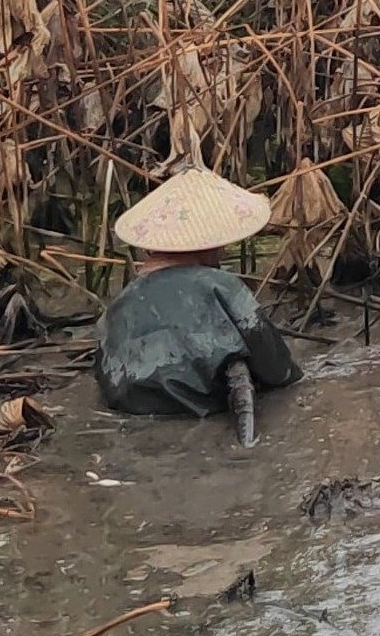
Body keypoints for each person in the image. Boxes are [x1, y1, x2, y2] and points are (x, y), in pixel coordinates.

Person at [95, 168, 301, 446]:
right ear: (207, 245)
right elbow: (278, 369)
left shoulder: (116, 307)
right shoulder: (222, 286)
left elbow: (106, 378)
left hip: (132, 416)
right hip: (200, 411)